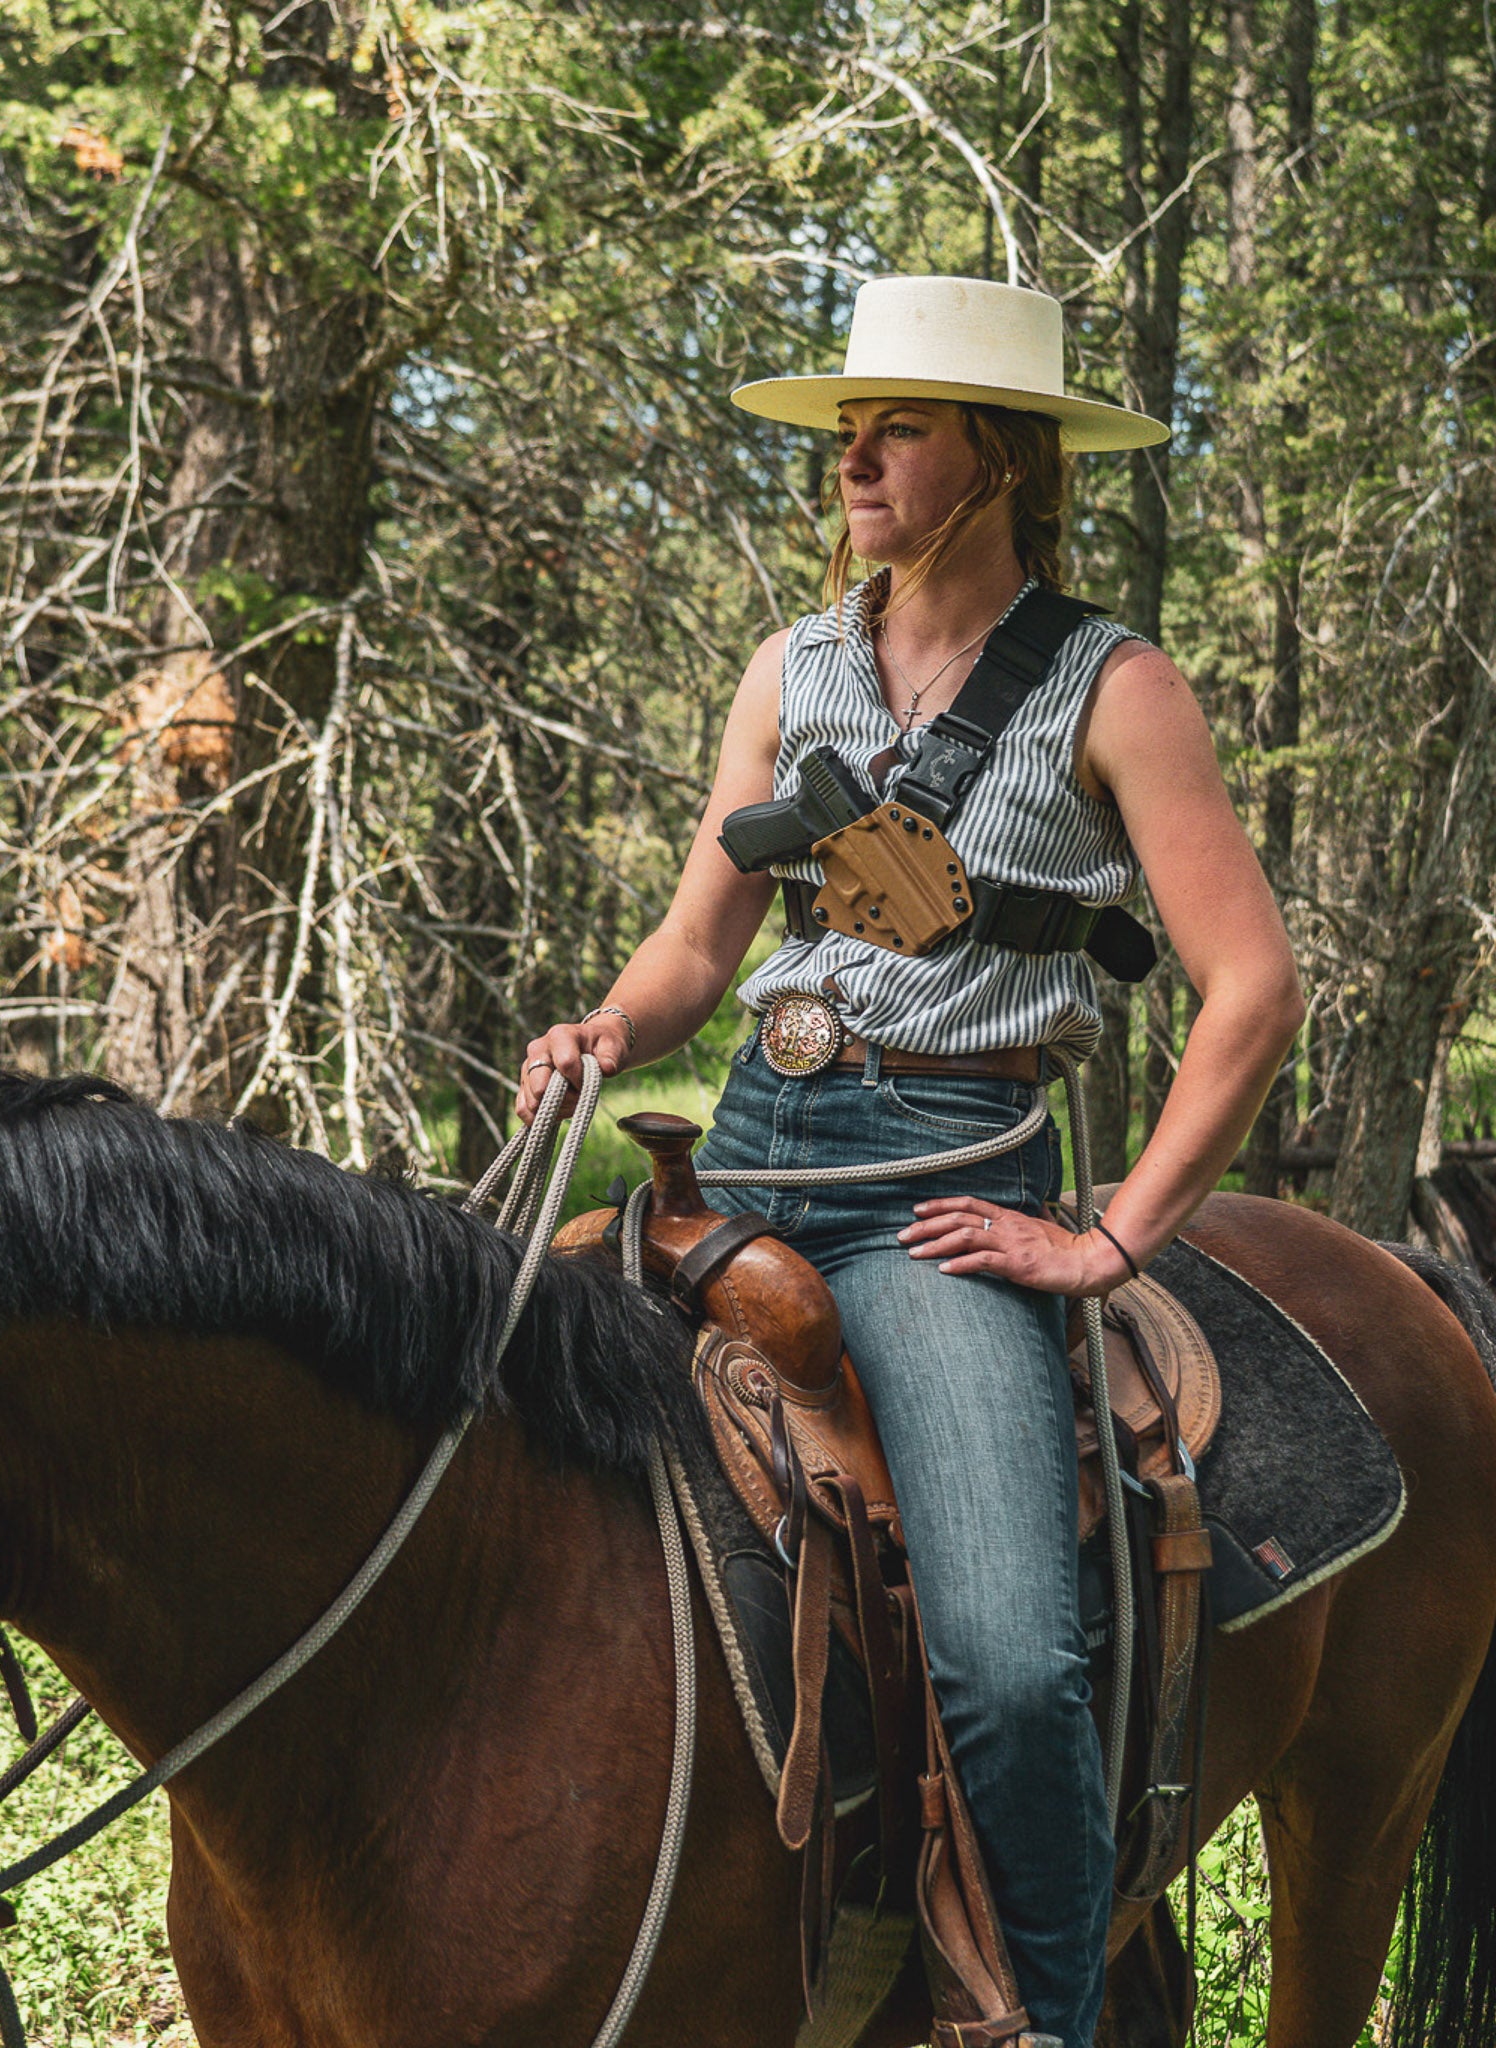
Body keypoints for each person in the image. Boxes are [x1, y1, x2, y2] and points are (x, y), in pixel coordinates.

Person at [515, 276, 1303, 2048]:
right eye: (848, 430)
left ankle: (1042, 2019)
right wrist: (609, 1033)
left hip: (946, 1188)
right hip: (740, 1153)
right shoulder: (789, 666)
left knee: (1014, 1668)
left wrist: (1106, 1241)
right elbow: (700, 947)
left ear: (1003, 459)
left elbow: (1252, 991)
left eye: (902, 428)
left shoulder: (1117, 683)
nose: (855, 457)